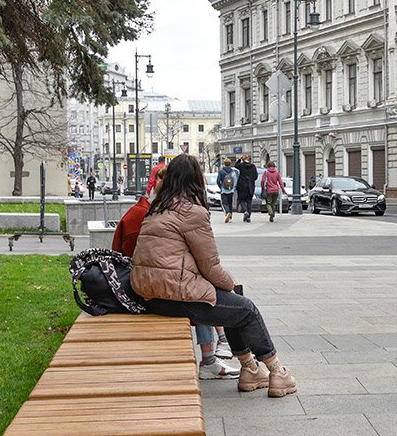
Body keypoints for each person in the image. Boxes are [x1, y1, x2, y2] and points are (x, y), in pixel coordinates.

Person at [130, 155, 298, 397]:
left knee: (233, 303)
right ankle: (278, 372)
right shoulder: (191, 211)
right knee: (246, 309)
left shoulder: (157, 208)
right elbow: (210, 267)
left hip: (150, 294)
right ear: (196, 179)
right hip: (176, 296)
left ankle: (250, 369)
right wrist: (230, 285)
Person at [112, 189, 239, 380]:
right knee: (202, 293)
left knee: (202, 287)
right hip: (146, 291)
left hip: (146, 284)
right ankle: (219, 353)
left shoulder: (152, 211)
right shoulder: (147, 215)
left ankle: (220, 348)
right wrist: (230, 287)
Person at [235, 155, 259, 223]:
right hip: (250, 187)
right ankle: (248, 217)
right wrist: (251, 180)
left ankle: (245, 212)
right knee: (249, 202)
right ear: (249, 159)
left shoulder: (241, 165)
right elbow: (256, 177)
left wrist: (239, 160)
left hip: (242, 186)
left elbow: (235, 166)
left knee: (241, 200)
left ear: (243, 159)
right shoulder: (253, 166)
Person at [217, 159, 238, 224]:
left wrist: (221, 187)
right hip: (231, 190)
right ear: (230, 164)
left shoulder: (221, 172)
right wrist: (233, 188)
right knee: (230, 203)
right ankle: (230, 217)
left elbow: (218, 181)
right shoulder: (233, 172)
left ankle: (227, 213)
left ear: (224, 164)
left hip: (224, 190)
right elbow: (235, 181)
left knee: (224, 203)